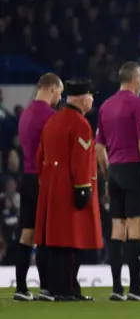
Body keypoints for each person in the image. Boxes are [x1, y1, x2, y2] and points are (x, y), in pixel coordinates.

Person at [95, 61, 140, 301]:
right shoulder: (139, 104)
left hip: (114, 171)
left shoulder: (106, 106)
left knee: (117, 228)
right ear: (137, 79)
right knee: (136, 227)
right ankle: (135, 288)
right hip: (133, 169)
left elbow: (99, 147)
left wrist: (106, 174)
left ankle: (115, 289)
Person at [34, 79, 102, 301]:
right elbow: (81, 161)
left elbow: (39, 158)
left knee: (56, 243)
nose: (92, 100)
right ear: (83, 97)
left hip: (52, 189)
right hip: (72, 190)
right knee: (73, 242)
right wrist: (83, 189)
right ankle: (68, 290)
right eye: (91, 96)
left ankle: (55, 288)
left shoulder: (52, 121)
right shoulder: (80, 124)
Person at [14, 73, 63, 301]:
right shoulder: (49, 116)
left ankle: (21, 288)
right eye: (59, 93)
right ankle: (46, 288)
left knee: (26, 233)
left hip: (26, 177)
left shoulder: (25, 114)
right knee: (43, 235)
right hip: (43, 179)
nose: (59, 98)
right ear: (52, 88)